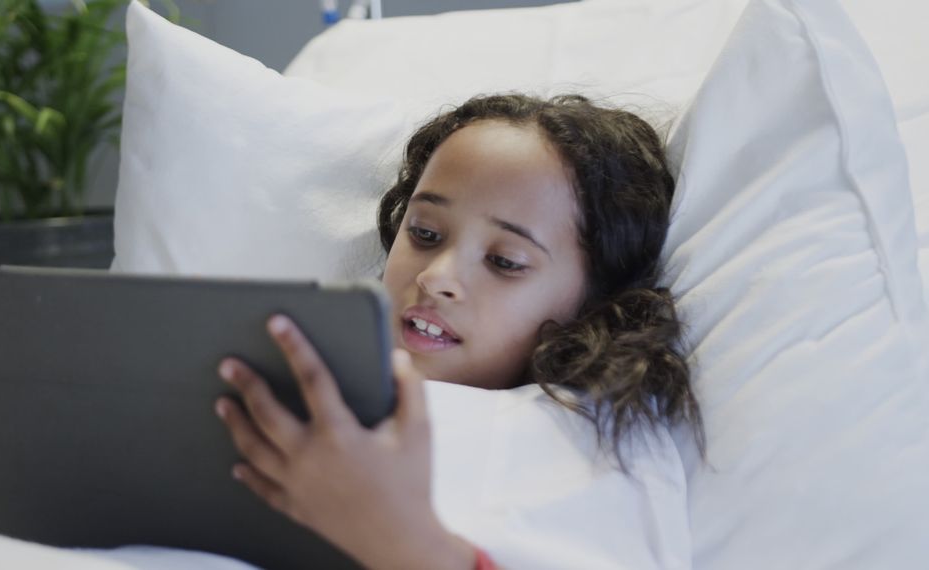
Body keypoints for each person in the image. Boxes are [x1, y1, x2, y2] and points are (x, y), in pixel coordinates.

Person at [213, 93, 705, 569]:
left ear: (593, 302)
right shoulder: (298, 391)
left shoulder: (595, 441)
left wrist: (401, 544)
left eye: (504, 261)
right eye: (425, 234)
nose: (436, 277)